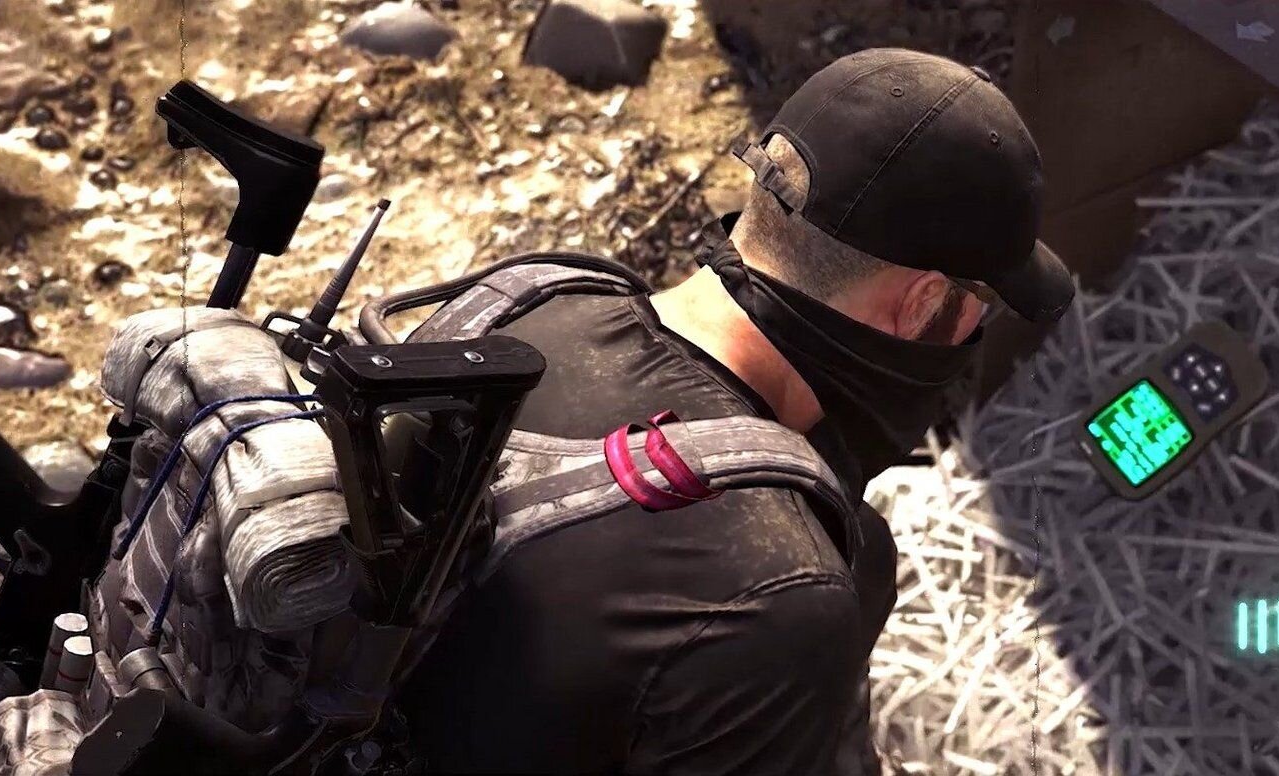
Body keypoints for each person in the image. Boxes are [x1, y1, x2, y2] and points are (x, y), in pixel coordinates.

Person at [393, 47, 1073, 774]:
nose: (972, 334)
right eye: (979, 308)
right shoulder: (777, 593)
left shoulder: (532, 302)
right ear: (924, 304)